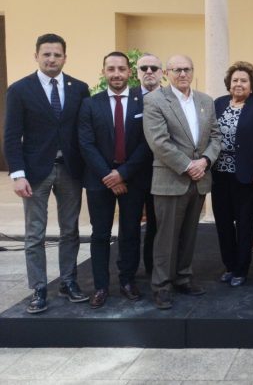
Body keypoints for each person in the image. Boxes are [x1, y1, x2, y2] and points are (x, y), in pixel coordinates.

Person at [4, 33, 91, 313]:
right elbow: (11, 135)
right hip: (34, 171)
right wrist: (17, 174)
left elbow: (84, 130)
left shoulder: (79, 88)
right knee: (35, 233)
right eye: (46, 54)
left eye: (57, 54)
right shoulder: (19, 89)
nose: (52, 59)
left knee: (70, 230)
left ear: (65, 57)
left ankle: (68, 281)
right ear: (36, 56)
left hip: (70, 170)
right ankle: (39, 288)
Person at [143, 55, 221, 309]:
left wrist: (205, 162)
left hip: (199, 178)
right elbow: (159, 142)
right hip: (171, 178)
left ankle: (183, 277)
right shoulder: (155, 100)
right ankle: (162, 286)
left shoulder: (205, 101)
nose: (182, 74)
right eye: (176, 70)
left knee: (189, 233)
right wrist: (188, 166)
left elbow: (216, 137)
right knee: (166, 236)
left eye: (186, 69)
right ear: (167, 73)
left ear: (192, 71)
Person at [78, 51, 152, 308]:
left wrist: (123, 173)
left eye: (121, 69)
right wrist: (110, 176)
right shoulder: (90, 103)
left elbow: (146, 144)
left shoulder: (142, 103)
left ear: (130, 72)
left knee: (130, 232)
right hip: (99, 180)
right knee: (100, 234)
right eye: (111, 69)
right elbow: (86, 144)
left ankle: (128, 281)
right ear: (103, 72)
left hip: (132, 178)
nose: (116, 74)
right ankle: (100, 286)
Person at [212, 61, 253, 287]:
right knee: (223, 223)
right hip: (219, 175)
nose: (238, 84)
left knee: (246, 224)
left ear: (252, 85)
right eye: (235, 80)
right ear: (229, 83)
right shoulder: (217, 104)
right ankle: (229, 266)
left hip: (247, 176)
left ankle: (241, 269)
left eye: (244, 81)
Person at [136, 53, 163, 276]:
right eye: (144, 68)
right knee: (131, 227)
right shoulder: (130, 99)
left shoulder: (171, 98)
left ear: (162, 72)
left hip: (163, 174)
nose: (149, 72)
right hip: (133, 175)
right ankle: (129, 273)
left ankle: (154, 270)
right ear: (137, 73)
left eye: (154, 67)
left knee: (157, 226)